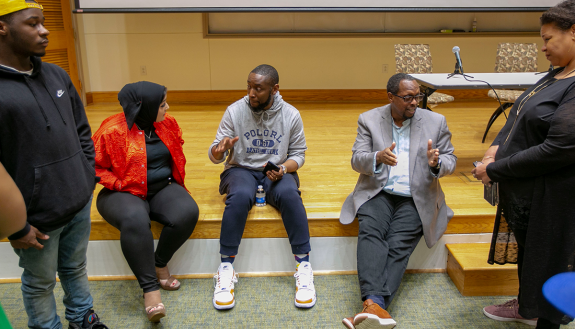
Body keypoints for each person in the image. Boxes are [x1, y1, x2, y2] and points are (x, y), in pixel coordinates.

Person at [0, 1, 108, 328]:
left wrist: (86, 176)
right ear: (2, 27)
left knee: (76, 268)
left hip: (77, 202)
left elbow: (81, 130)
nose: (44, 30)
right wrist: (15, 225)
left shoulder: (56, 74)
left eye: (44, 22)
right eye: (33, 24)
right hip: (36, 218)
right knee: (40, 282)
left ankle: (82, 318)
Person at [473, 1, 575, 328]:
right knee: (532, 257)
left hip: (553, 197)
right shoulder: (558, 73)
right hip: (526, 193)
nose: (542, 47)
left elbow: (557, 149)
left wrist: (494, 169)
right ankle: (528, 306)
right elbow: (519, 110)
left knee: (548, 261)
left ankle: (542, 313)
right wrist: (494, 148)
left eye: (548, 39)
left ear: (574, 32)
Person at [340, 73, 457, 329]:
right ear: (391, 97)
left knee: (397, 245)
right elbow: (356, 159)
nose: (414, 102)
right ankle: (376, 307)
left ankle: (372, 305)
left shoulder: (436, 121)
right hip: (378, 192)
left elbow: (451, 160)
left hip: (417, 197)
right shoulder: (369, 119)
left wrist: (437, 163)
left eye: (418, 96)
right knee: (371, 233)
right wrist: (377, 157)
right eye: (407, 98)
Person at [208, 64, 315, 310]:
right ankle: (226, 268)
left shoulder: (290, 114)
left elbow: (299, 154)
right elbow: (214, 154)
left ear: (274, 89)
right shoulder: (235, 111)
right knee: (240, 195)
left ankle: (304, 265)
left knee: (289, 194)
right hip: (240, 169)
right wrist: (219, 150)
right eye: (248, 86)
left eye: (258, 88)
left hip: (275, 170)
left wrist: (284, 169)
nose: (251, 93)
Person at [92, 81, 199, 322]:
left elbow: (177, 149)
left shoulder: (167, 123)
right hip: (123, 192)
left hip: (161, 187)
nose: (167, 107)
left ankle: (159, 263)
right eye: (162, 104)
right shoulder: (112, 129)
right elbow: (93, 165)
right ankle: (150, 290)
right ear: (145, 107)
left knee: (188, 212)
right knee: (135, 220)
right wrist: (119, 184)